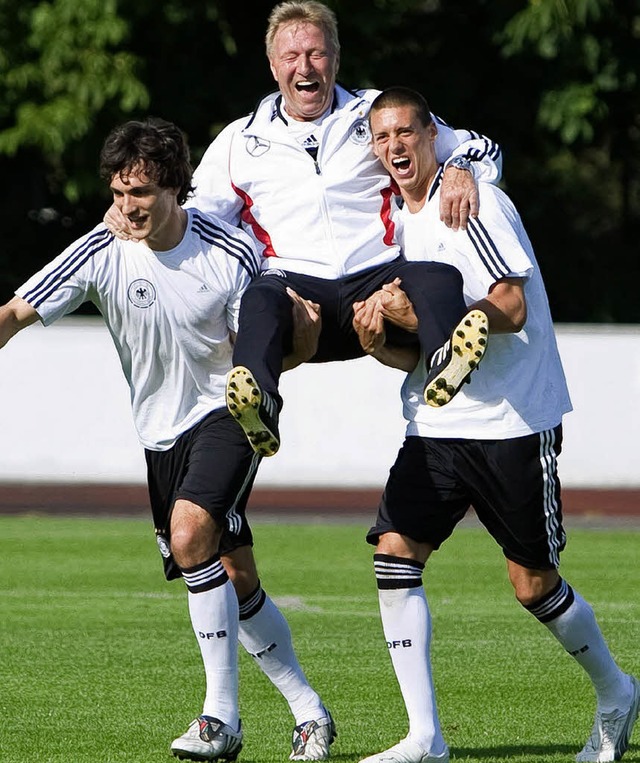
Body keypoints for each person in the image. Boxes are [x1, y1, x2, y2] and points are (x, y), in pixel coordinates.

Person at [0, 117, 337, 763]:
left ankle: (220, 719)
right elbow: (15, 314)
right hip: (160, 432)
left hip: (230, 412)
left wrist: (305, 342)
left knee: (190, 538)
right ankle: (310, 711)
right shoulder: (99, 248)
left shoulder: (230, 251)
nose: (129, 206)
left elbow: (266, 354)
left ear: (176, 188)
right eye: (121, 191)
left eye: (143, 193)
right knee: (234, 576)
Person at [351, 87, 639, 763]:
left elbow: (512, 301)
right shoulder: (398, 222)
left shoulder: (471, 200)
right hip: (435, 420)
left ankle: (617, 690)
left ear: (432, 138)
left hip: (511, 419)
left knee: (532, 583)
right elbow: (416, 354)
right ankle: (425, 737)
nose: (394, 146)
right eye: (381, 136)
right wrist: (377, 341)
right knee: (394, 552)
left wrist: (460, 320)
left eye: (406, 133)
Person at [106, 0, 502, 459]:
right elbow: (193, 218)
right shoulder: (240, 139)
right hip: (297, 298)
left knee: (436, 275)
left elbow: (478, 145)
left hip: (379, 284)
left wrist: (461, 169)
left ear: (335, 57)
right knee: (260, 296)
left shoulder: (376, 112)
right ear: (273, 67)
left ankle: (444, 365)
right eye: (291, 57)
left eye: (316, 53)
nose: (305, 66)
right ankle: (260, 406)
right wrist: (131, 213)